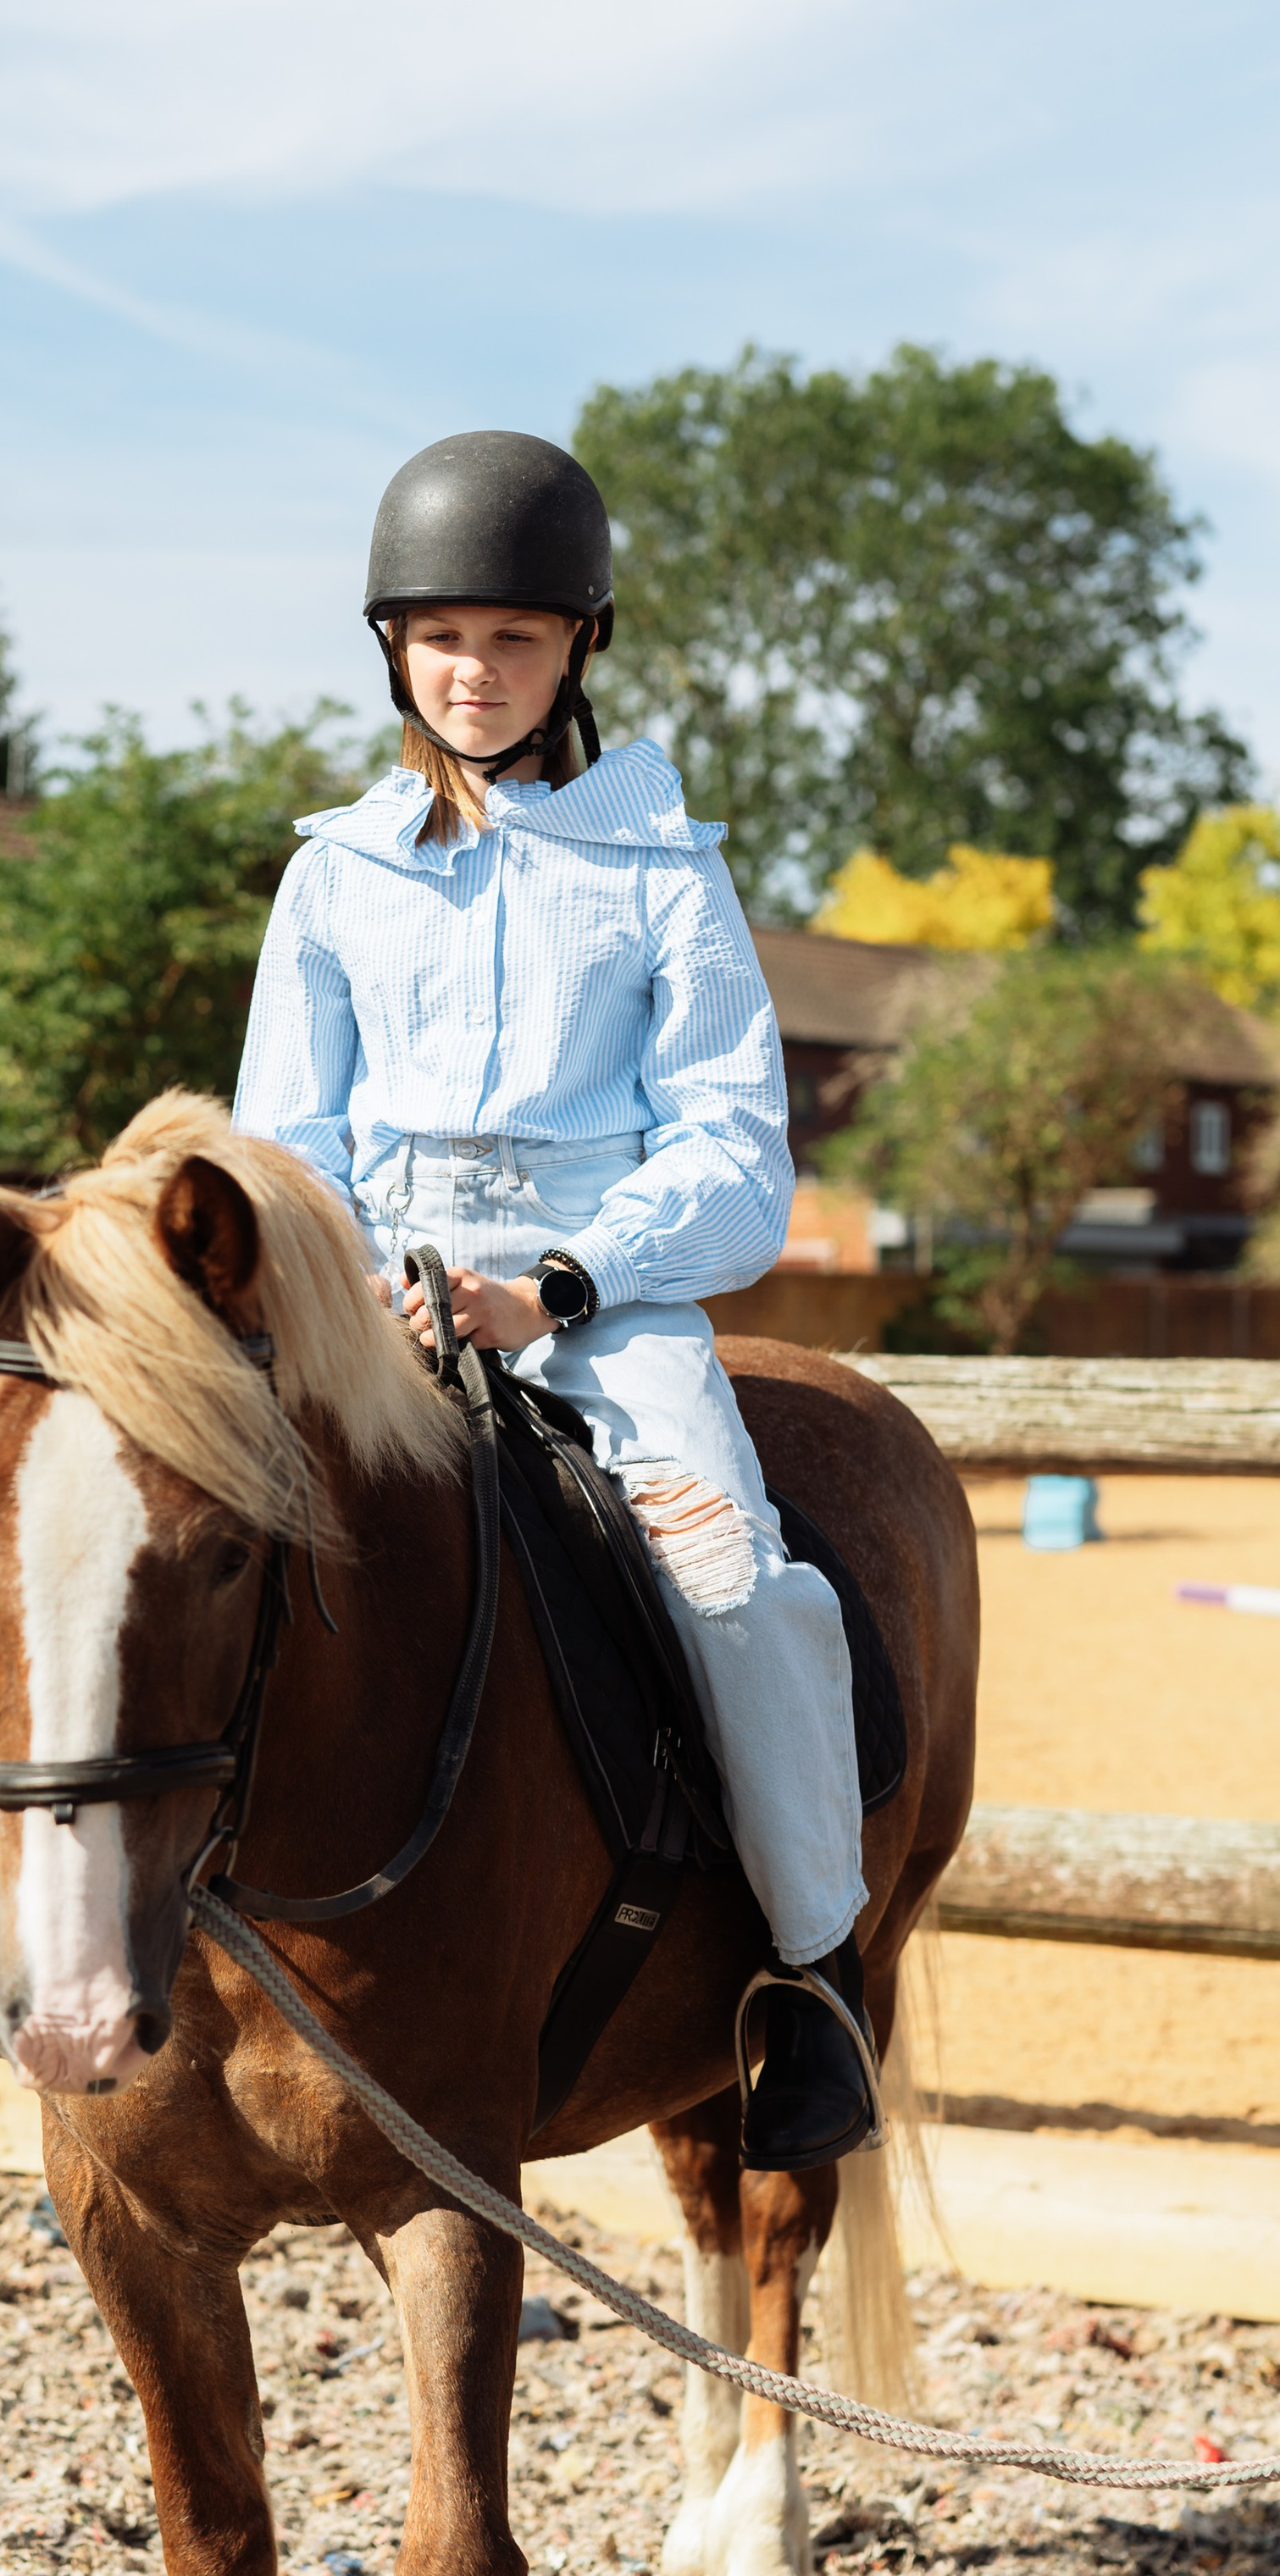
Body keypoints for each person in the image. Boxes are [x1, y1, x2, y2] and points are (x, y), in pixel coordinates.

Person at [231, 428, 877, 2172]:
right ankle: (38, 1925)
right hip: (367, 1299)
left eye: (510, 639)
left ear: (575, 646)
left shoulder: (666, 870)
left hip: (603, 1294)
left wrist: (559, 1284)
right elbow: (280, 1137)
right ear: (392, 650)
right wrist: (362, 1274)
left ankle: (814, 1977)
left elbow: (740, 1155)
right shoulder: (332, 877)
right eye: (440, 637)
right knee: (136, 1506)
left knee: (728, 1576)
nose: (472, 670)